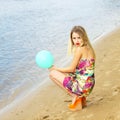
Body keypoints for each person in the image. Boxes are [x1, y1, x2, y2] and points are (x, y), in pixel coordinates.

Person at [49, 26, 96, 111]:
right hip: (89, 85)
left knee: (52, 74)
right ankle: (81, 97)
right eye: (74, 38)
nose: (76, 41)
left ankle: (75, 96)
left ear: (83, 37)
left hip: (82, 87)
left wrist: (55, 68)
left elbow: (71, 69)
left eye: (79, 38)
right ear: (71, 39)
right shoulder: (89, 48)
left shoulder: (80, 50)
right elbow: (80, 71)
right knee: (65, 74)